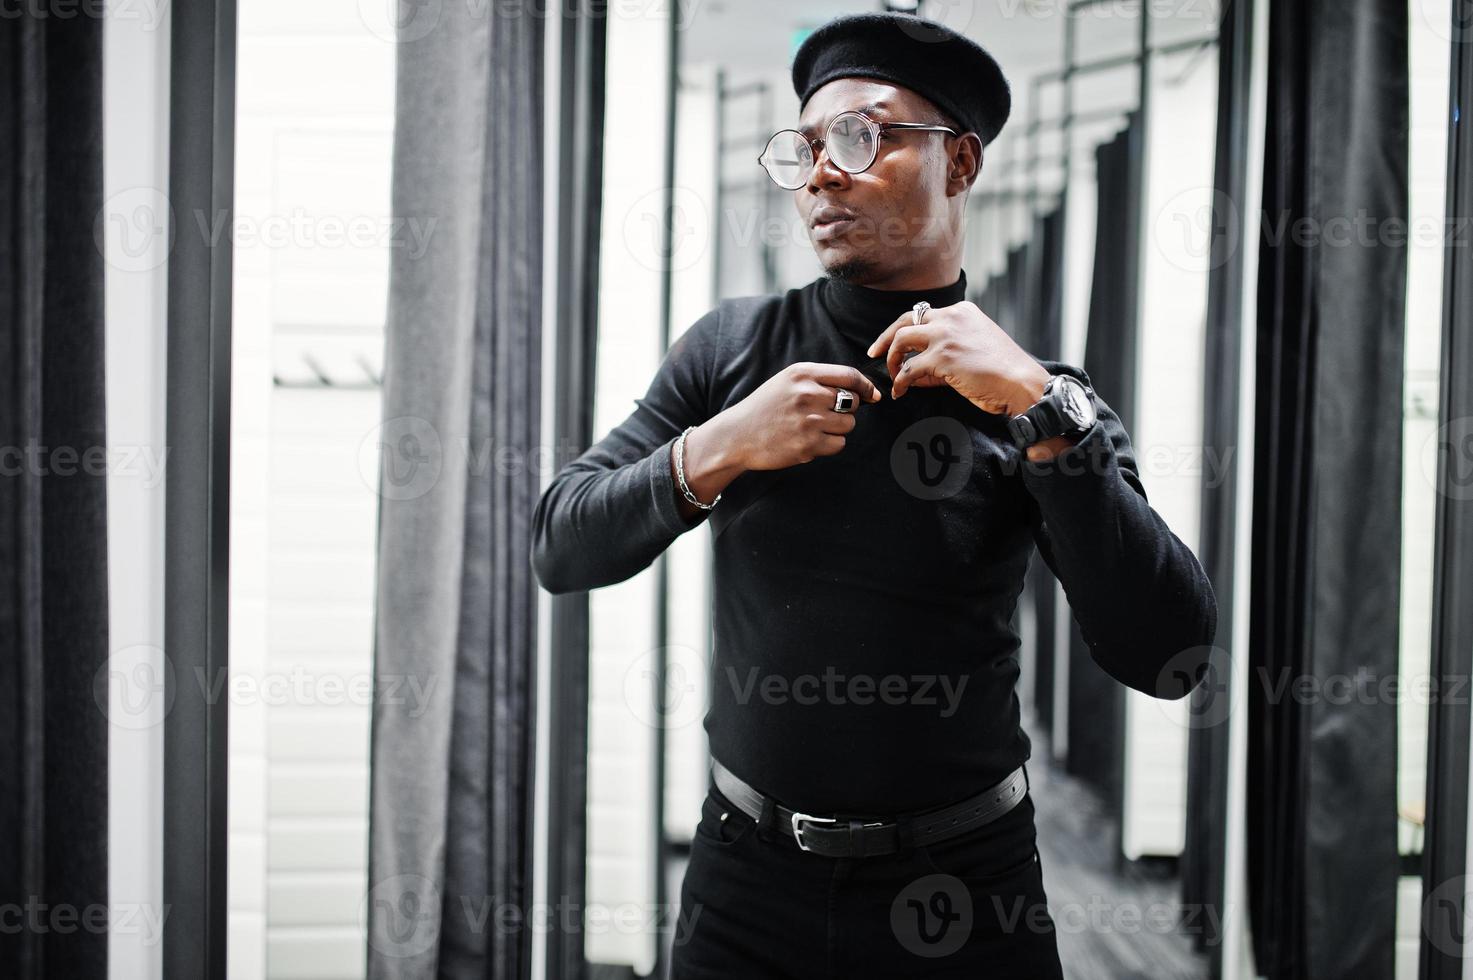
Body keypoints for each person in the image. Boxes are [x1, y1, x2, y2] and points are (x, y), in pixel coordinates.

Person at [531, 10, 1217, 978]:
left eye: (861, 135)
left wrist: (1042, 411)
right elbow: (562, 541)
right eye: (806, 146)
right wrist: (719, 447)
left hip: (964, 888)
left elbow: (1169, 650)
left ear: (961, 163)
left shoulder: (1034, 392)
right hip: (747, 883)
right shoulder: (733, 352)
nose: (821, 172)